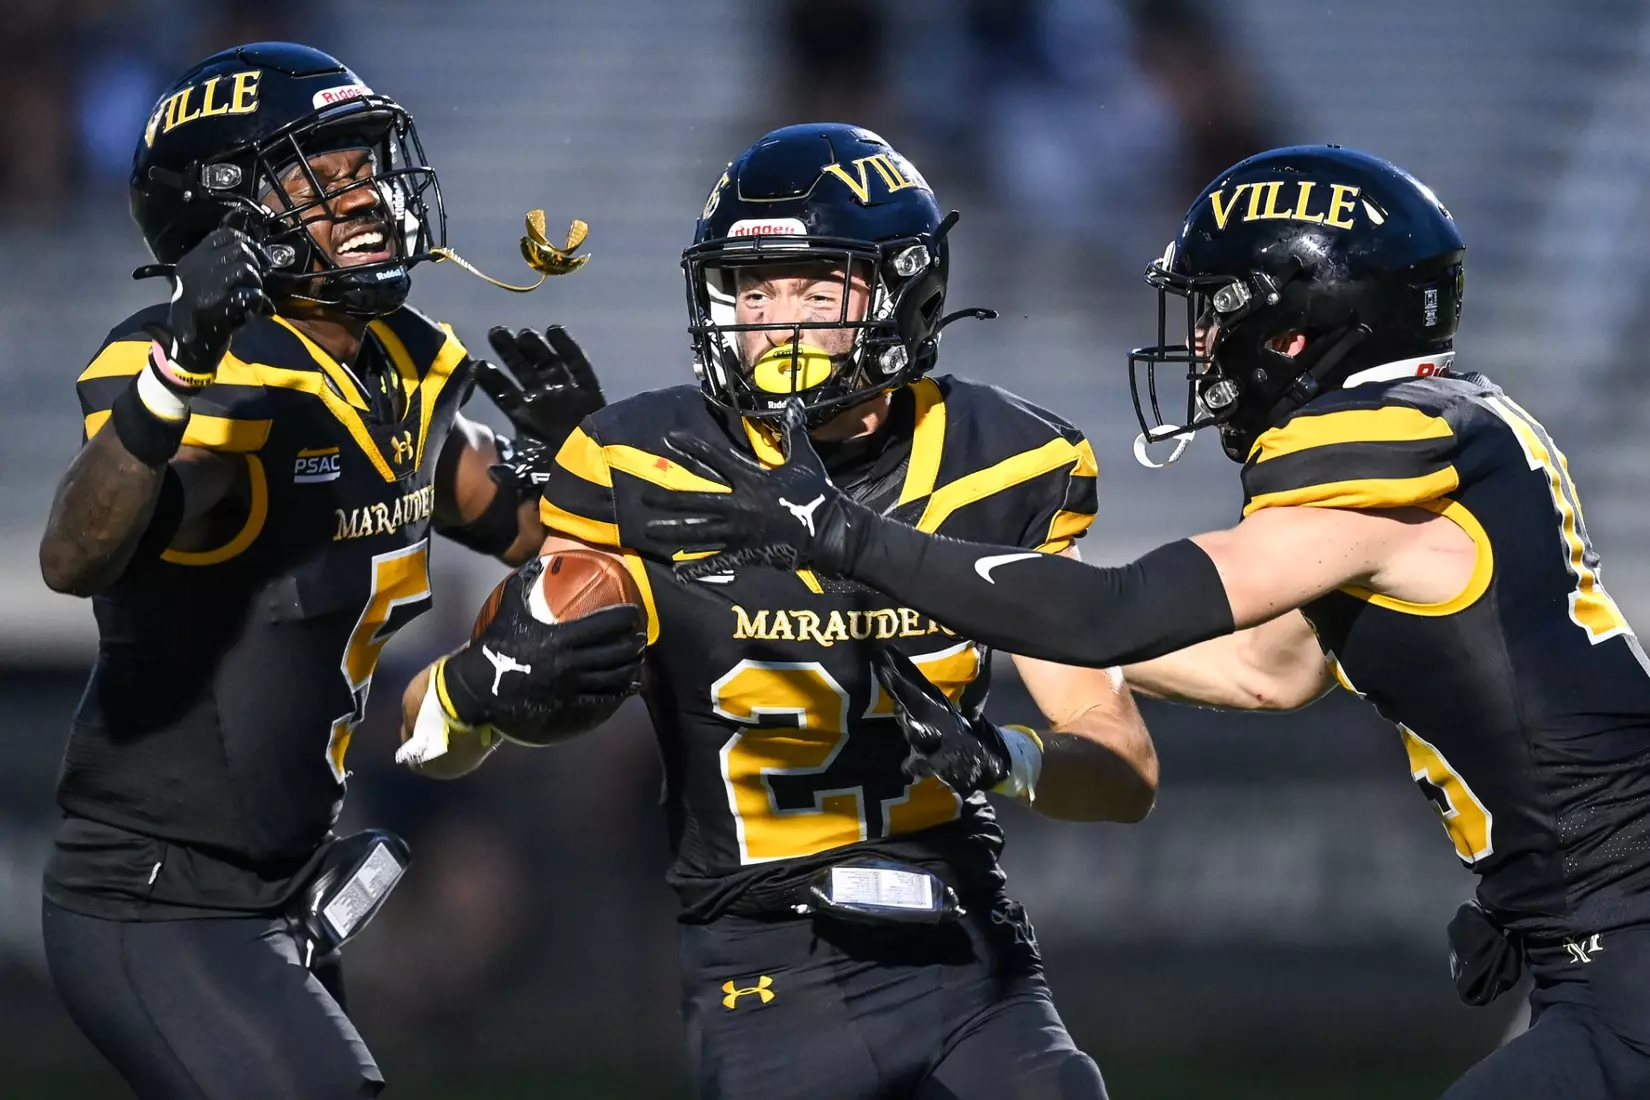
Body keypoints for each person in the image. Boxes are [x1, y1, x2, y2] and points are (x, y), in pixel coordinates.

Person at [649, 143, 1650, 1100]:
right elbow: (1269, 667)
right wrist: (984, 666)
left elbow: (1109, 615)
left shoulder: (1377, 445)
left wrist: (842, 533)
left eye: (1213, 314)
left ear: (1295, 325)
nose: (1200, 343)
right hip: (1595, 945)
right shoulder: (1449, 423)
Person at [407, 123, 1156, 1100]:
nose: (778, 322)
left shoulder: (1004, 463)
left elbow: (1124, 766)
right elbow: (434, 732)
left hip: (969, 949)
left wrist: (1004, 758)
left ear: (902, 290)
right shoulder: (636, 463)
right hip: (768, 967)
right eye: (754, 291)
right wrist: (479, 688)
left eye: (814, 288)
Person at [36, 42, 643, 1100]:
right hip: (160, 900)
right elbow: (75, 552)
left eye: (366, 162)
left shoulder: (396, 369)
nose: (365, 191)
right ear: (227, 209)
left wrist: (599, 471)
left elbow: (539, 535)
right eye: (323, 171)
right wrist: (177, 365)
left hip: (286, 888)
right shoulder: (217, 379)